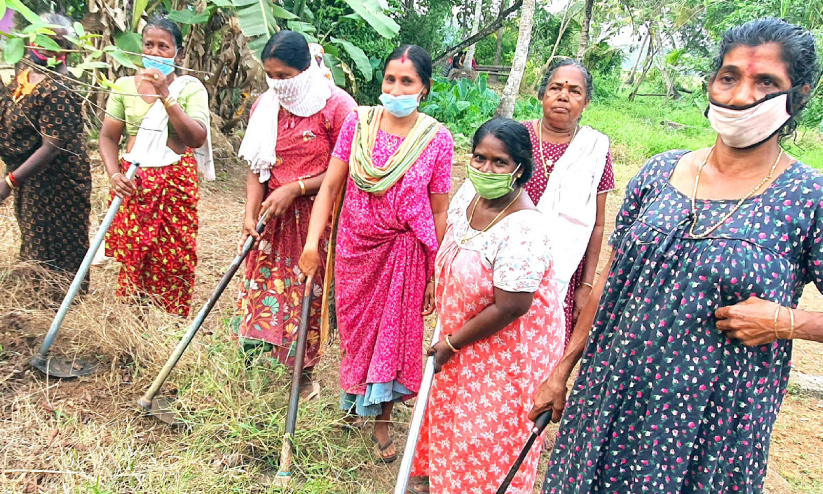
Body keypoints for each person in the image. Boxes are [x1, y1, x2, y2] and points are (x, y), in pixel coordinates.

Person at [531, 18, 823, 494]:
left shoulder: (808, 196)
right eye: (729, 76)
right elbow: (611, 281)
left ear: (800, 94)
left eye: (766, 81)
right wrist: (562, 369)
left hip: (710, 427)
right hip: (610, 397)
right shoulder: (660, 171)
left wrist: (789, 322)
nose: (742, 95)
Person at [298, 45, 454, 462]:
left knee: (394, 336)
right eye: (390, 79)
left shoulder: (437, 139)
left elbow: (439, 209)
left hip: (406, 251)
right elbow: (330, 188)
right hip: (355, 247)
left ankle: (381, 420)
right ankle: (352, 405)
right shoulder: (358, 123)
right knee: (356, 330)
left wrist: (437, 273)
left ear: (424, 88)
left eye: (407, 81)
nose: (396, 88)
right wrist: (312, 245)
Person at [408, 118, 566, 494]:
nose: (485, 169)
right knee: (456, 423)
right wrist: (437, 281)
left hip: (509, 352)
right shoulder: (469, 193)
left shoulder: (525, 230)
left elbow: (511, 306)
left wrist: (452, 343)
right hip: (465, 337)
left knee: (486, 437)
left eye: (500, 163)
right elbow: (453, 243)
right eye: (479, 158)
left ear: (520, 169)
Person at [230, 31, 356, 399]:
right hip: (273, 215)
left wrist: (296, 188)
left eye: (284, 76)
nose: (277, 84)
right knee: (261, 290)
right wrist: (250, 214)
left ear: (306, 69)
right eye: (270, 75)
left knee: (306, 294)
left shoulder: (337, 107)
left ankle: (303, 374)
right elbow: (257, 165)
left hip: (316, 217)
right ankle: (251, 366)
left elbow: (342, 172)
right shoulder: (265, 106)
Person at [99, 15, 213, 317]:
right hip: (133, 182)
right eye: (149, 45)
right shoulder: (124, 86)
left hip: (175, 181)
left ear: (179, 53)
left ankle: (168, 323)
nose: (155, 52)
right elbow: (109, 137)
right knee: (135, 255)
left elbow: (196, 137)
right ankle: (132, 322)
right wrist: (114, 174)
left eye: (164, 46)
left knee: (174, 255)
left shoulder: (190, 89)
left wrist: (165, 95)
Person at [521, 59, 614, 347]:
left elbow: (597, 224)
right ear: (542, 95)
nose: (563, 96)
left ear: (586, 102)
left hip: (563, 272)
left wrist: (585, 286)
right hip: (511, 264)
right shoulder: (517, 138)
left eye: (574, 91)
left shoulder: (595, 148)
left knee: (543, 354)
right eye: (556, 88)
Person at [0, 13, 92, 295]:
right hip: (30, 177)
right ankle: (38, 297)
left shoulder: (59, 89)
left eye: (58, 44)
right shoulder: (23, 77)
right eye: (44, 39)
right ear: (30, 38)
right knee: (34, 240)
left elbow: (50, 148)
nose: (50, 49)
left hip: (57, 182)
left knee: (55, 246)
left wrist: (9, 182)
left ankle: (59, 305)